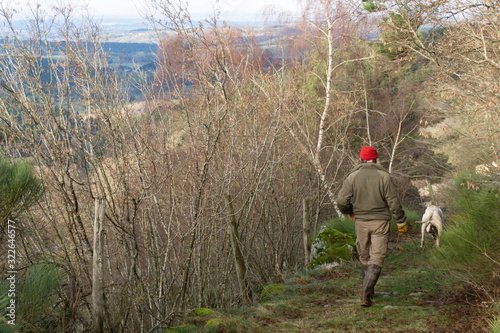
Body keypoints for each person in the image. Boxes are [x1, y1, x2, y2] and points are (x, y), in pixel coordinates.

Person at [337, 146, 407, 307]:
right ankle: (366, 295)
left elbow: (341, 201)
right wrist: (401, 221)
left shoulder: (352, 177)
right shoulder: (384, 176)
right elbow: (394, 202)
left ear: (360, 159)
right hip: (381, 222)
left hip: (361, 222)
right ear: (375, 159)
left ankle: (367, 295)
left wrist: (350, 211)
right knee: (377, 257)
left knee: (364, 257)